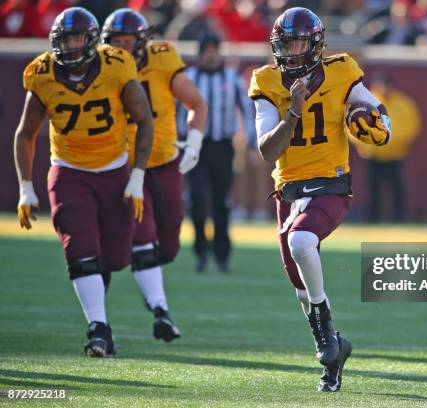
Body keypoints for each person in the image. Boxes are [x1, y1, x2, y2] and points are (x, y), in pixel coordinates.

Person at [248, 7, 391, 391]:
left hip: (331, 183)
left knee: (301, 241)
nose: (292, 52)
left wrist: (380, 125)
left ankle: (326, 327)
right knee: (299, 285)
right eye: (286, 44)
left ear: (315, 45)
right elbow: (267, 150)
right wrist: (293, 109)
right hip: (289, 189)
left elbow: (374, 107)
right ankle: (332, 352)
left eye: (299, 43)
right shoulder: (265, 81)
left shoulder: (342, 70)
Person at [14, 7, 153, 357]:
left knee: (116, 257)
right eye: (65, 40)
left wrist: (137, 176)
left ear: (92, 41)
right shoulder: (42, 72)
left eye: (77, 39)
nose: (71, 47)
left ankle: (99, 312)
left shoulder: (117, 65)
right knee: (79, 248)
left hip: (114, 169)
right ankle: (99, 329)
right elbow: (24, 134)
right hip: (68, 170)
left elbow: (144, 120)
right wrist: (25, 186)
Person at [102, 9, 208, 342]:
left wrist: (194, 140)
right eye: (115, 41)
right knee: (143, 235)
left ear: (142, 40)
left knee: (169, 247)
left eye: (127, 41)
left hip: (164, 161)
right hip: (126, 165)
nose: (121, 47)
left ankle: (142, 269)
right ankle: (161, 309)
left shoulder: (162, 58)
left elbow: (196, 102)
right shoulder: (101, 66)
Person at [178, 31, 256, 273]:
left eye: (214, 51)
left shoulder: (232, 78)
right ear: (200, 55)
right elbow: (177, 113)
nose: (211, 56)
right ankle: (201, 252)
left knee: (221, 201)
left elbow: (246, 110)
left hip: (222, 146)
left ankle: (222, 255)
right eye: (206, 52)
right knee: (198, 199)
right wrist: (179, 140)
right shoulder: (189, 77)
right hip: (196, 144)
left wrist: (253, 141)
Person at [354, 73, 421, 222]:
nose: (384, 89)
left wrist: (391, 141)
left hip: (395, 154)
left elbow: (412, 126)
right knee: (372, 189)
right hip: (372, 155)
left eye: (387, 85)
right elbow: (351, 126)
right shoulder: (365, 101)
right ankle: (373, 218)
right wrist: (367, 142)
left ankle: (399, 217)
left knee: (397, 188)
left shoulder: (403, 103)